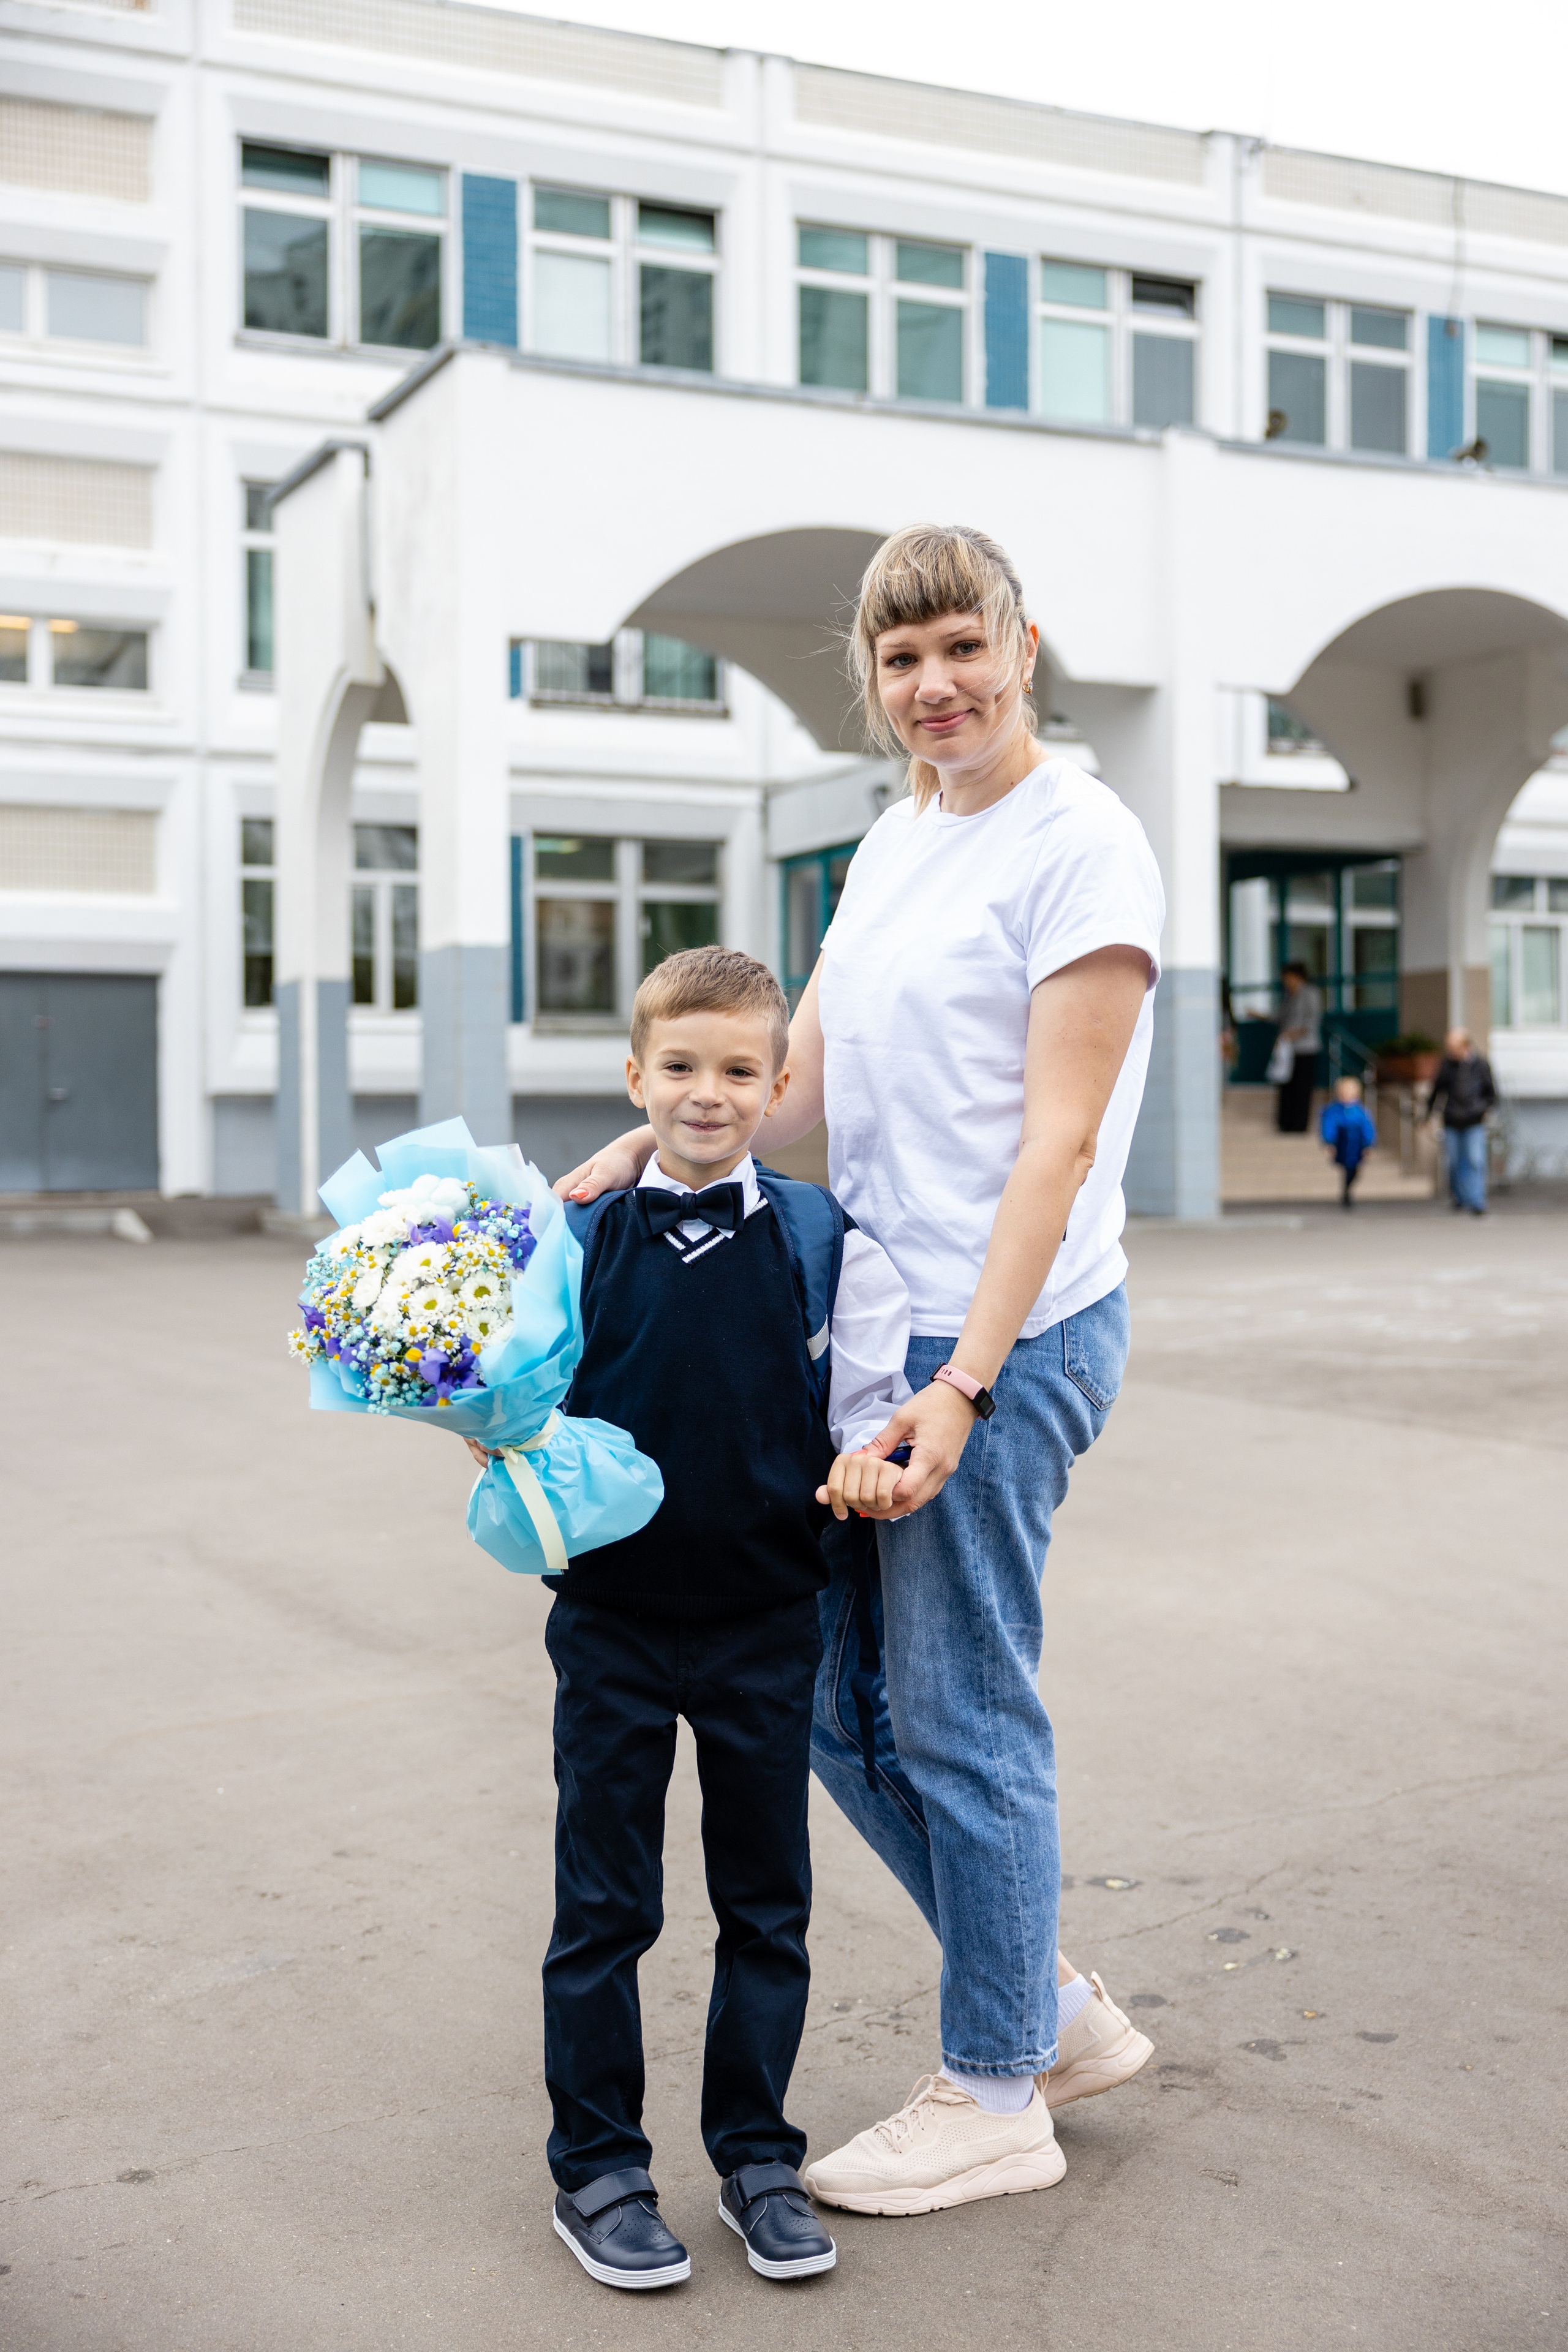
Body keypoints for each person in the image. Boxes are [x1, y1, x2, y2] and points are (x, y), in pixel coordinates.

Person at [556, 523, 1163, 2221]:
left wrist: (963, 1382)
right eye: (902, 659)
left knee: (960, 1708)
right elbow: (799, 1083)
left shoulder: (1083, 844)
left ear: (1023, 649)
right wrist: (640, 1152)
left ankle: (997, 2089)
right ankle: (1042, 2005)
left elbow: (1058, 1142)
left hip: (1004, 1336)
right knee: (827, 1702)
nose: (935, 684)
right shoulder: (897, 840)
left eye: (964, 647)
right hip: (877, 1331)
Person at [473, 946, 912, 2293]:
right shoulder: (574, 1239)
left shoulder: (827, 1244)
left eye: (737, 1071)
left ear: (778, 1089)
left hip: (767, 1624)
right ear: (635, 1077)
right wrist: (488, 1426)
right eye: (679, 1066)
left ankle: (758, 2157)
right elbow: (523, 1404)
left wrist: (872, 1466)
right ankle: (598, 2170)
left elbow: (866, 1416)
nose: (706, 1093)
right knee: (602, 1906)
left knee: (765, 1903)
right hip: (609, 1622)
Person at [1424, 1026, 1498, 1214]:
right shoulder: (1447, 1065)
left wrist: (1480, 1109)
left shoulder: (1480, 1065)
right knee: (1454, 1163)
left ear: (1465, 1046)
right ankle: (1460, 1198)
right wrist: (1427, 1115)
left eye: (1453, 1047)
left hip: (1474, 1121)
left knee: (1475, 1161)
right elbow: (1437, 1090)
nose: (1450, 1051)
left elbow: (1492, 1095)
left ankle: (1477, 1201)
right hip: (1452, 1121)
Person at [1275, 960, 1323, 1133]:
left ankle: (1300, 1124)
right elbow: (1281, 1018)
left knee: (1302, 1087)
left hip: (1306, 1048)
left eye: (1288, 977)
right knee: (1287, 1085)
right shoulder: (1288, 996)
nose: (1285, 981)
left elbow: (1312, 1021)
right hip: (1288, 1049)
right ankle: (1286, 1123)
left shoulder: (1310, 993)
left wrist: (1294, 1033)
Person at [1320, 1075, 1378, 1208]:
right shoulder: (1334, 1110)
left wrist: (1369, 1144)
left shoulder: (1360, 1111)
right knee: (1347, 1167)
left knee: (1354, 1169)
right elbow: (1329, 1127)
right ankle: (1346, 1192)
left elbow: (1367, 1127)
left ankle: (1347, 1189)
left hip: (1356, 1143)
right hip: (1343, 1142)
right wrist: (1329, 1142)